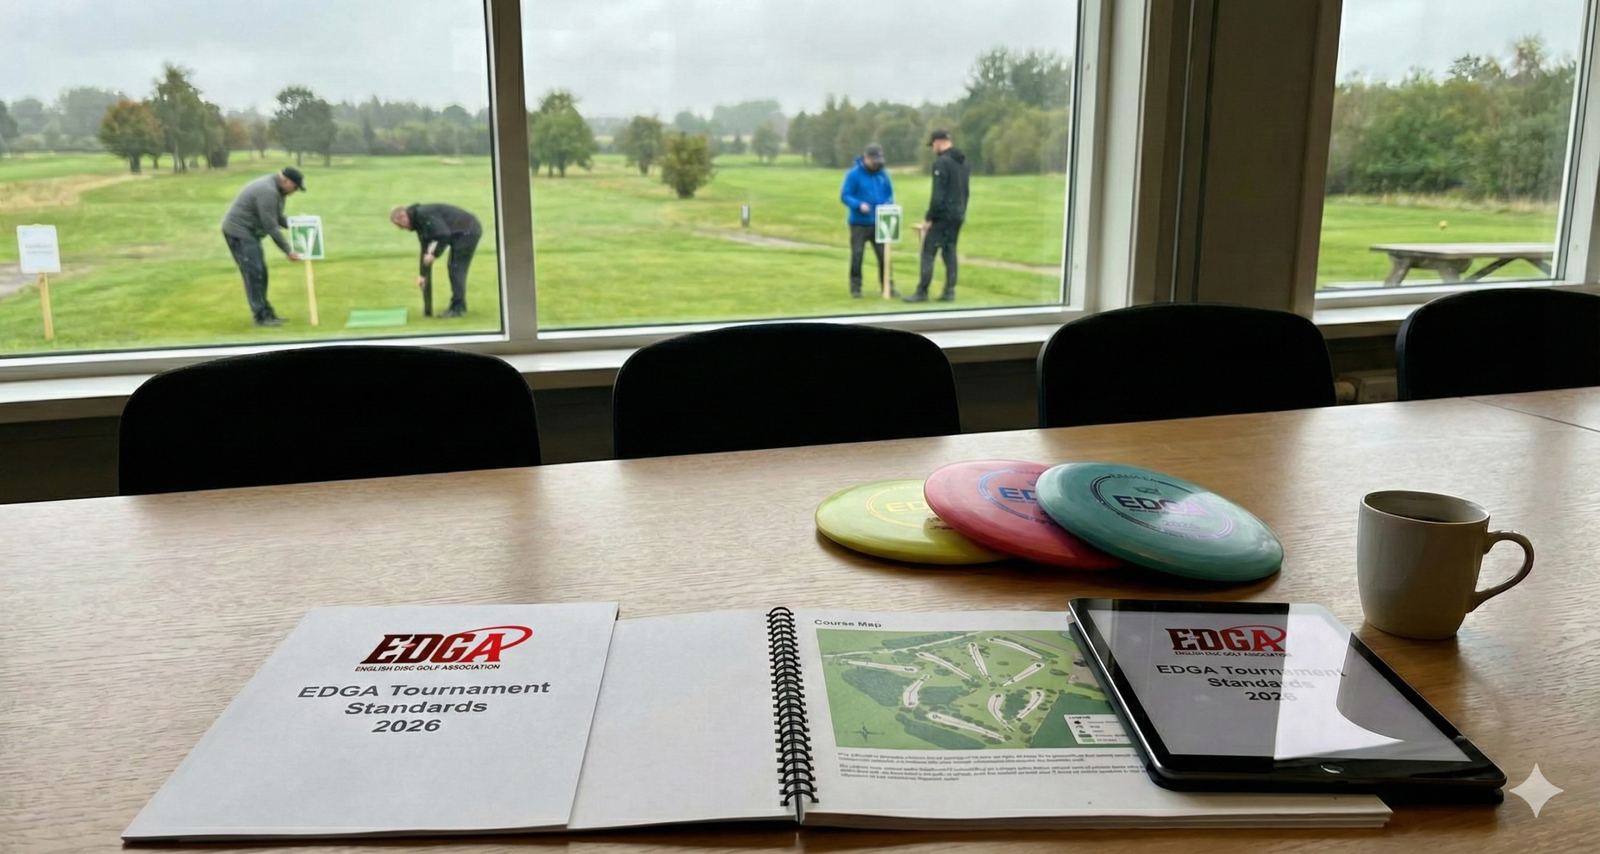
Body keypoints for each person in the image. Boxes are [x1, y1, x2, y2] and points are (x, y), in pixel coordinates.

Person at [221, 167, 305, 326]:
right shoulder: (268, 191)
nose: (294, 192)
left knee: (261, 273)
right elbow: (271, 226)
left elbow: (278, 218)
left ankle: (267, 313)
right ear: (285, 180)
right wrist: (288, 251)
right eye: (294, 187)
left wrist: (300, 223)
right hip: (239, 233)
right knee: (254, 274)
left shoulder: (279, 192)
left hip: (249, 233)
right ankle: (261, 317)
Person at [905, 129, 969, 303]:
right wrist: (961, 211)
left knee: (928, 251)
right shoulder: (963, 162)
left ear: (939, 142)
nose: (933, 148)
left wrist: (929, 218)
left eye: (933, 144)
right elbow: (965, 191)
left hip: (943, 215)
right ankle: (949, 291)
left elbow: (938, 194)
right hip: (958, 214)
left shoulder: (941, 163)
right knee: (950, 251)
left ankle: (922, 291)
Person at [390, 203, 482, 318]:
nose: (401, 228)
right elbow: (425, 249)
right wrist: (423, 275)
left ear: (403, 217)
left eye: (399, 225)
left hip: (468, 230)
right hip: (460, 231)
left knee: (456, 267)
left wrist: (434, 254)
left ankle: (457, 308)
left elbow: (444, 234)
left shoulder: (423, 215)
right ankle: (459, 305)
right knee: (454, 266)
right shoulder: (419, 220)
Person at [839, 143, 895, 298]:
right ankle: (856, 287)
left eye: (878, 160)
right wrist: (858, 205)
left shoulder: (883, 174)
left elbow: (890, 194)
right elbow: (845, 195)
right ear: (865, 158)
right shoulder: (854, 174)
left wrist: (888, 203)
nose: (876, 164)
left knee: (884, 255)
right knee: (857, 255)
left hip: (880, 222)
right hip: (859, 223)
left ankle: (888, 286)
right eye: (873, 160)